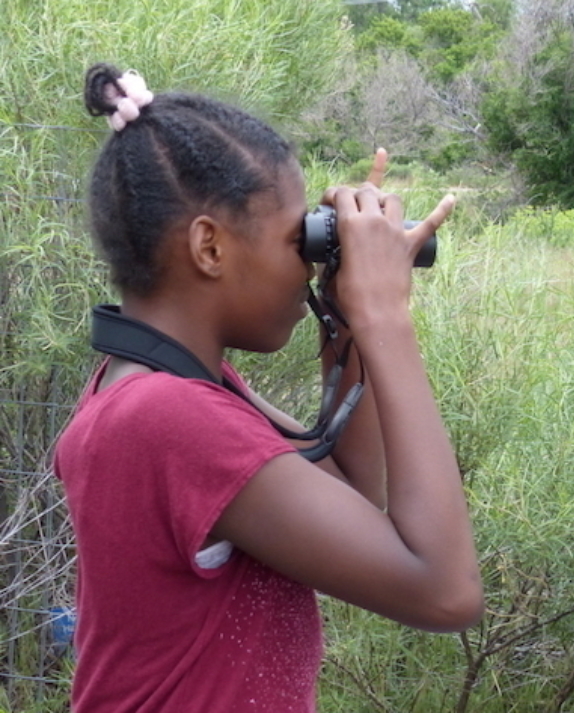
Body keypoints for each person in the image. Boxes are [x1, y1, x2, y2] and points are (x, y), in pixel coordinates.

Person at [53, 63, 483, 712]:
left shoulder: (160, 386)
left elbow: (351, 493)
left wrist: (345, 319)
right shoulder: (169, 415)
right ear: (210, 248)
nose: (308, 264)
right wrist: (387, 317)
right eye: (297, 240)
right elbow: (445, 591)